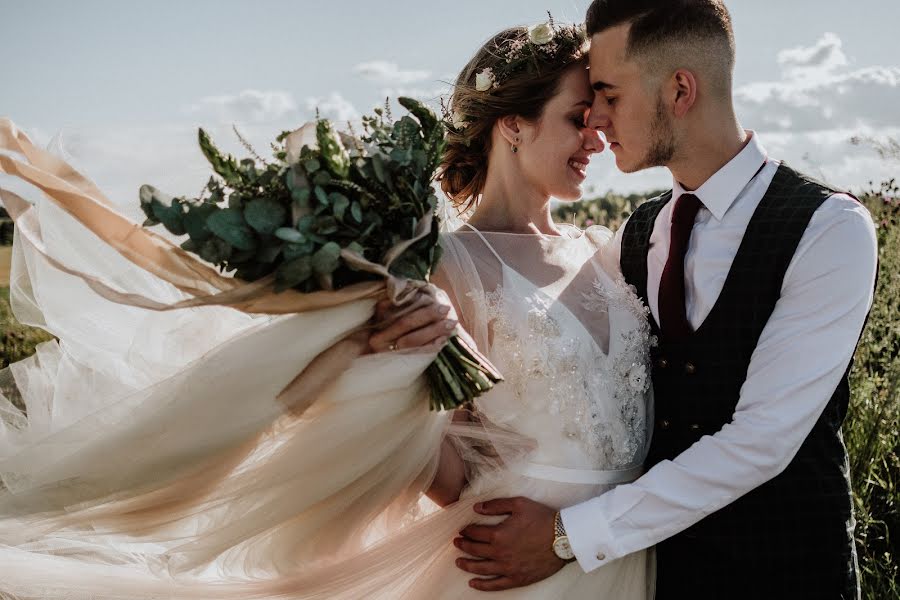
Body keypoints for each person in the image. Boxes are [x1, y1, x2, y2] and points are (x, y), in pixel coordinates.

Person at [0, 22, 654, 599]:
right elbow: (449, 469)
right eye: (578, 119)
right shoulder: (441, 265)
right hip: (515, 566)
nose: (598, 138)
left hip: (638, 546)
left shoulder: (606, 248)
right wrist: (395, 365)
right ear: (513, 124)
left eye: (600, 122)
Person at [389, 1, 878, 598]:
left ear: (679, 89)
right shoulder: (633, 239)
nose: (597, 120)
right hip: (648, 576)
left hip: (783, 575)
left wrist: (567, 536)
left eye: (608, 95)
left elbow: (763, 439)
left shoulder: (828, 229)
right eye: (583, 107)